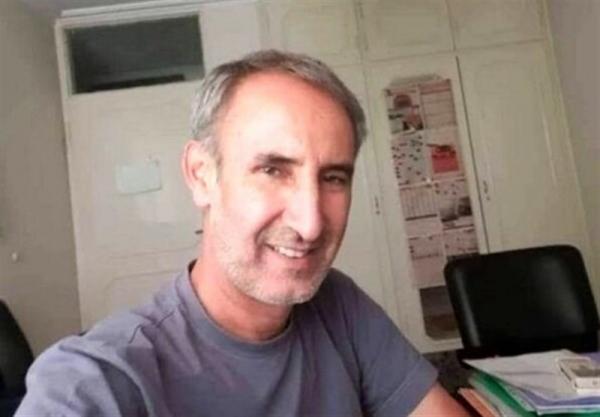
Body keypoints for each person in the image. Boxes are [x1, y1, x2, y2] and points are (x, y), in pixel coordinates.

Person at [16, 50, 468, 416]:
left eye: (333, 178)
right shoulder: (97, 379)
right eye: (272, 170)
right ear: (201, 175)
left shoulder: (338, 304)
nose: (310, 224)